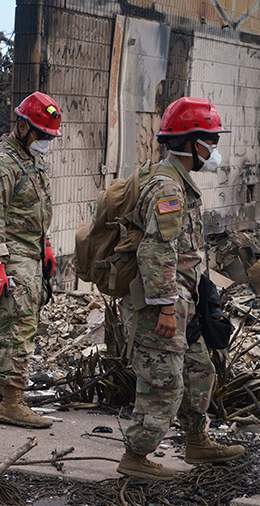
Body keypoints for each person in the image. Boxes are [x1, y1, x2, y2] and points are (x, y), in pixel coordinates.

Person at [116, 97, 244, 480]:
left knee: (199, 369)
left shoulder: (179, 184)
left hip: (184, 301)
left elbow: (184, 249)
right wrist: (167, 308)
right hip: (161, 306)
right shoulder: (167, 189)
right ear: (190, 143)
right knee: (164, 383)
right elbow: (158, 252)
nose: (214, 149)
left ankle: (196, 441)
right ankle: (135, 457)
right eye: (210, 140)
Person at [0, 91, 60, 429]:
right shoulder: (0, 164)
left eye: (50, 136)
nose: (46, 142)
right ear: (23, 126)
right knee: (22, 325)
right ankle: (11, 401)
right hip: (9, 255)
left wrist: (46, 244)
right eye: (42, 134)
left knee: (14, 322)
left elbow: (35, 209)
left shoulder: (29, 160)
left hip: (30, 250)